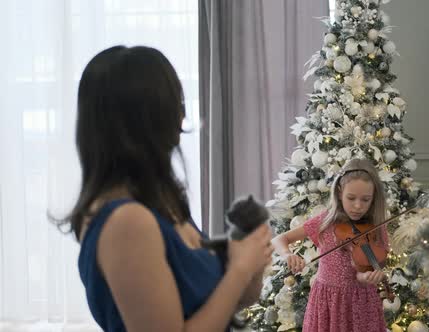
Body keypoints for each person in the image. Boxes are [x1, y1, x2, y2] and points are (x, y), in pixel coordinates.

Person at [59, 45, 272, 332]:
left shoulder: (161, 199)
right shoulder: (128, 221)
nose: (182, 117)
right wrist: (239, 269)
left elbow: (232, 300)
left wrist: (251, 258)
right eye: (174, 105)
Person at [272, 158, 389, 332]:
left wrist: (368, 277)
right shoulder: (325, 222)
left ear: (373, 199)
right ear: (340, 192)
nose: (358, 206)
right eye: (351, 198)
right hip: (327, 302)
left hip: (360, 303)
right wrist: (288, 255)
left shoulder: (376, 229)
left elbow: (363, 273)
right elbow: (279, 239)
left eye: (365, 200)